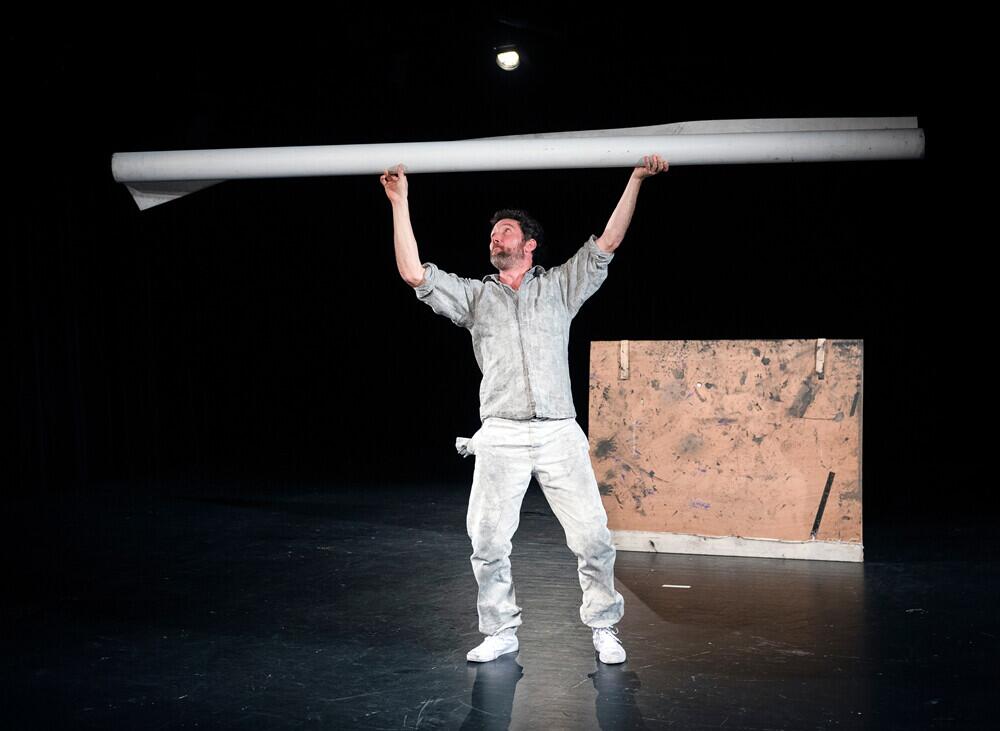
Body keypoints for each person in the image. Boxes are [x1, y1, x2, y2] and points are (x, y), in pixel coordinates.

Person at [380, 155, 668, 664]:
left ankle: (604, 625)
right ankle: (500, 630)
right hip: (501, 433)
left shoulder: (559, 287)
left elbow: (608, 243)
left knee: (593, 539)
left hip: (558, 431)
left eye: (506, 232)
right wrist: (399, 202)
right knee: (487, 541)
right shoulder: (475, 297)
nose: (496, 238)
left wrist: (636, 179)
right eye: (493, 234)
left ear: (529, 244)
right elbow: (413, 273)